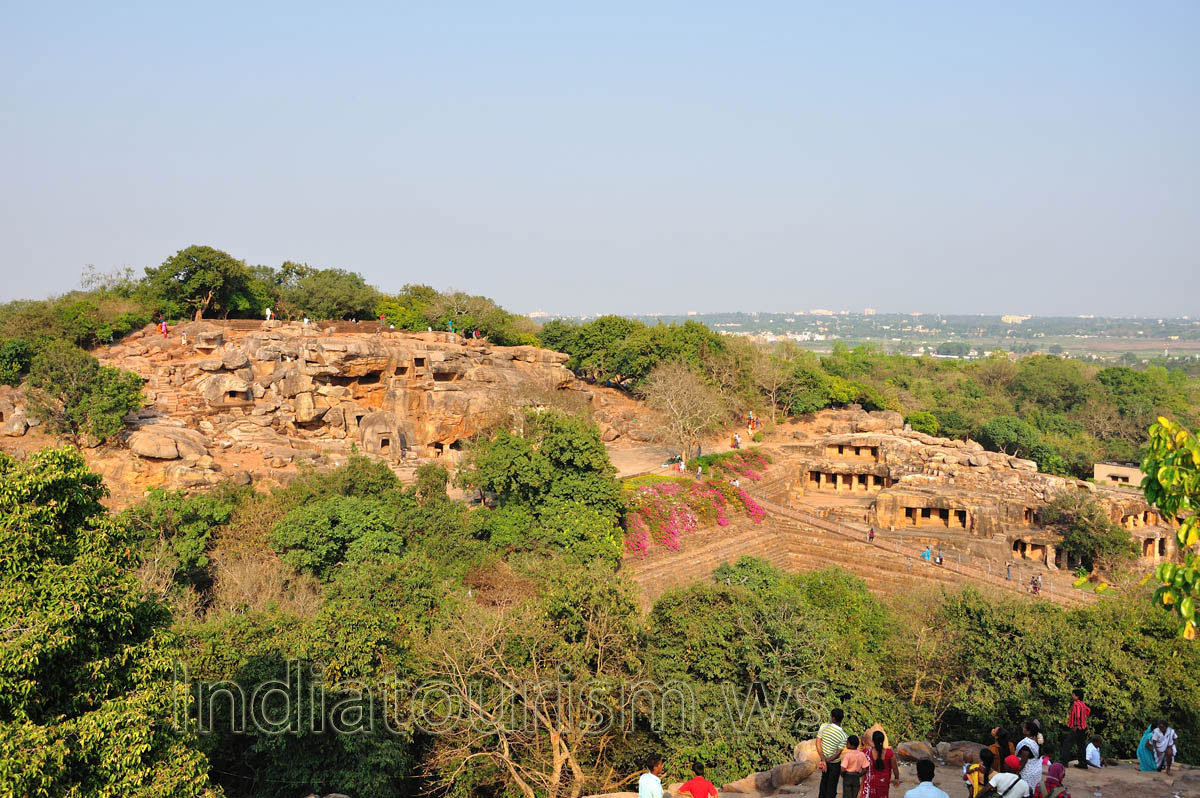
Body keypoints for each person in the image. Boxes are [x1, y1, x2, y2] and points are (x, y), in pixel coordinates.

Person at [817, 709, 849, 798]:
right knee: (832, 786)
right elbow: (838, 754)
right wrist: (827, 761)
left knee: (823, 783)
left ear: (833, 718)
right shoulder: (843, 735)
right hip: (834, 764)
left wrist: (823, 760)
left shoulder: (824, 726)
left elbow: (818, 742)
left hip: (824, 761)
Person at [862, 730, 900, 798]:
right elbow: (895, 768)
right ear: (883, 740)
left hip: (870, 784)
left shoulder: (866, 752)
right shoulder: (889, 753)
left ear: (872, 740)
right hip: (883, 784)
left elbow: (863, 768)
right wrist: (896, 778)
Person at [1060, 689, 1090, 769]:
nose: (1072, 696)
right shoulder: (1083, 704)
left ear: (1077, 696)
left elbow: (1077, 716)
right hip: (1083, 727)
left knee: (1067, 744)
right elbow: (1088, 711)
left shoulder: (1076, 704)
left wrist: (1075, 726)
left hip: (1077, 727)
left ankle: (1064, 762)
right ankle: (1083, 763)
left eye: (1073, 695)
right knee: (1081, 745)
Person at [1015, 721, 1042, 794]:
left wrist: (1015, 773)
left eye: (1024, 727)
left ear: (1028, 731)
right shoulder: (1035, 741)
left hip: (1027, 773)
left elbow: (1023, 762)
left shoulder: (1026, 745)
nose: (1023, 728)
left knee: (1025, 792)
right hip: (1036, 772)